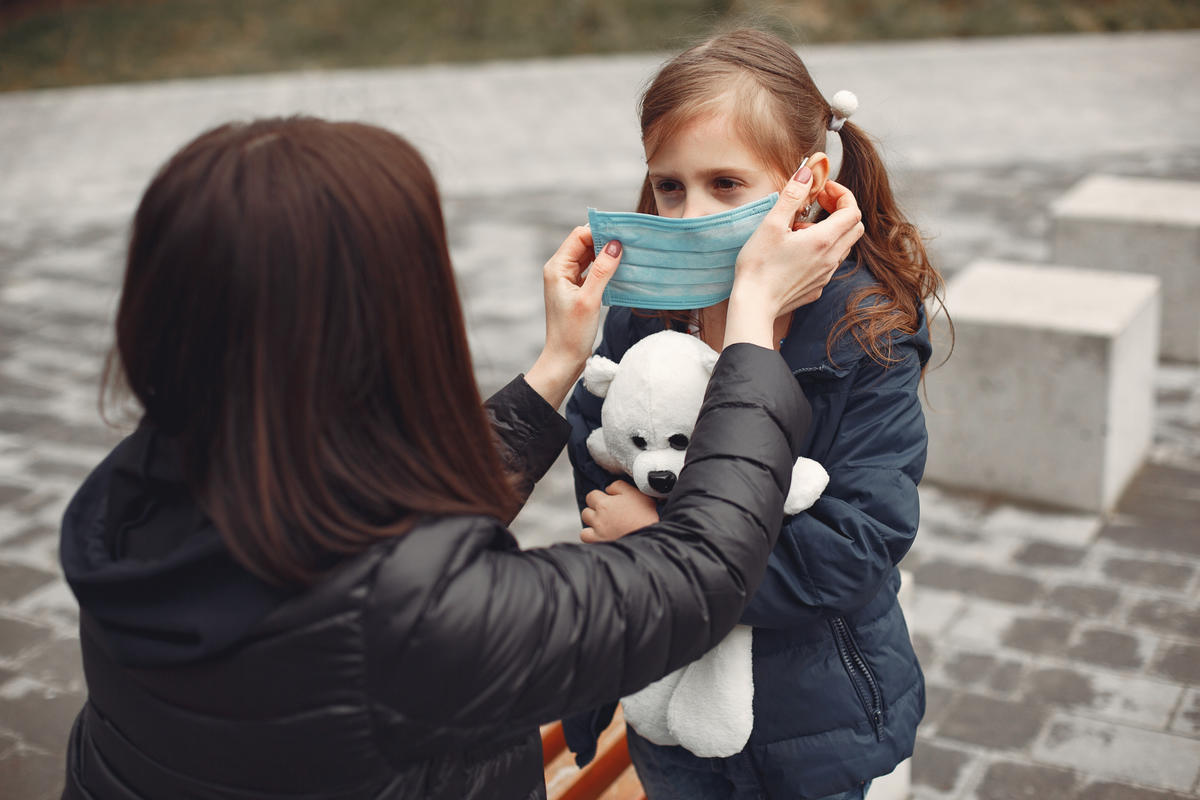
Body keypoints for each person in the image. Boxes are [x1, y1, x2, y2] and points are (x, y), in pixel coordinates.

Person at [58, 115, 863, 799]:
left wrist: (554, 368)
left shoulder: (138, 489)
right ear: (394, 319)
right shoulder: (418, 619)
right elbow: (698, 579)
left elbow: (365, 513)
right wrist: (752, 324)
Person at [564, 29, 946, 800]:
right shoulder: (645, 315)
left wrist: (663, 546)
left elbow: (855, 544)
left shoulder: (863, 333)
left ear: (807, 180)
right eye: (669, 186)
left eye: (726, 184)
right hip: (665, 703)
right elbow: (602, 471)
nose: (688, 212)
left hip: (811, 721)